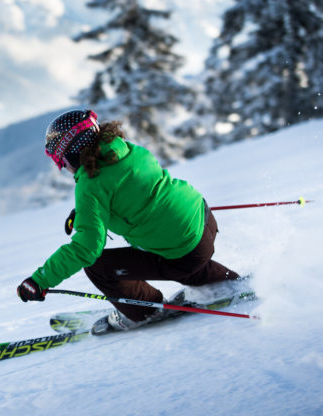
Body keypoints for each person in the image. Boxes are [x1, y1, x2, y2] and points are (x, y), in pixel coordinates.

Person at [16, 109, 240, 334]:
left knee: (98, 266)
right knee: (175, 246)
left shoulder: (91, 184)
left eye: (61, 160)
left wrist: (39, 280)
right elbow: (129, 190)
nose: (64, 167)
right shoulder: (126, 150)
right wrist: (86, 211)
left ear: (73, 153)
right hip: (203, 220)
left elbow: (86, 248)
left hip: (183, 249)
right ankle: (220, 284)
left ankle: (143, 311)